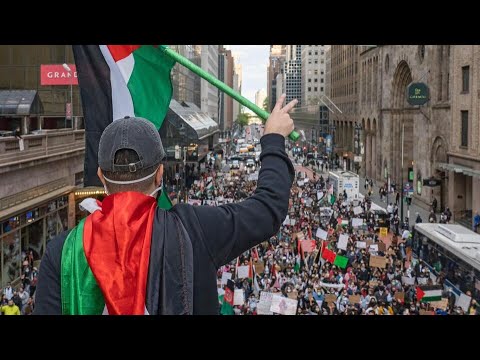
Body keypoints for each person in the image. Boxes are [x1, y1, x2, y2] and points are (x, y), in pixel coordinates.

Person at [34, 94, 297, 315]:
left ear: (101, 176)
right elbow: (267, 209)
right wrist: (273, 138)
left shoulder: (62, 252)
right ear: (160, 173)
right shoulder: (195, 229)